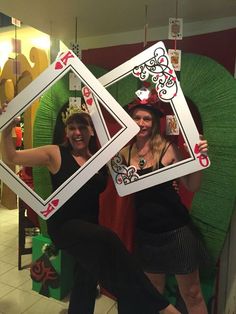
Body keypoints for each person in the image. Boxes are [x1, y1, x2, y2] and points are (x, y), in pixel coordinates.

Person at [0, 102, 180, 314]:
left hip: (89, 228)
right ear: (66, 131)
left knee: (86, 279)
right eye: (72, 127)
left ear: (92, 130)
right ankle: (162, 306)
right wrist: (6, 129)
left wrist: (167, 180)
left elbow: (129, 176)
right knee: (110, 239)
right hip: (65, 227)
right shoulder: (55, 153)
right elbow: (12, 157)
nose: (77, 132)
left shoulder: (98, 159)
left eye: (83, 127)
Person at [119, 93, 209, 314]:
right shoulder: (123, 153)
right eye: (136, 118)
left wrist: (199, 160)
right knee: (155, 295)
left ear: (155, 122)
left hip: (176, 231)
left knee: (192, 294)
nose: (141, 123)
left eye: (146, 118)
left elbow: (191, 185)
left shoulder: (168, 149)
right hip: (146, 234)